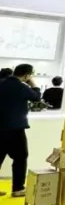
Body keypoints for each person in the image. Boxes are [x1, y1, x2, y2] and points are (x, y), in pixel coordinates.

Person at [0, 64, 41, 197]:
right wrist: (33, 84)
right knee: (20, 158)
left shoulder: (2, 83)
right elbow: (36, 97)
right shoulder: (21, 87)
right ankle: (17, 188)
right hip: (15, 129)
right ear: (27, 75)